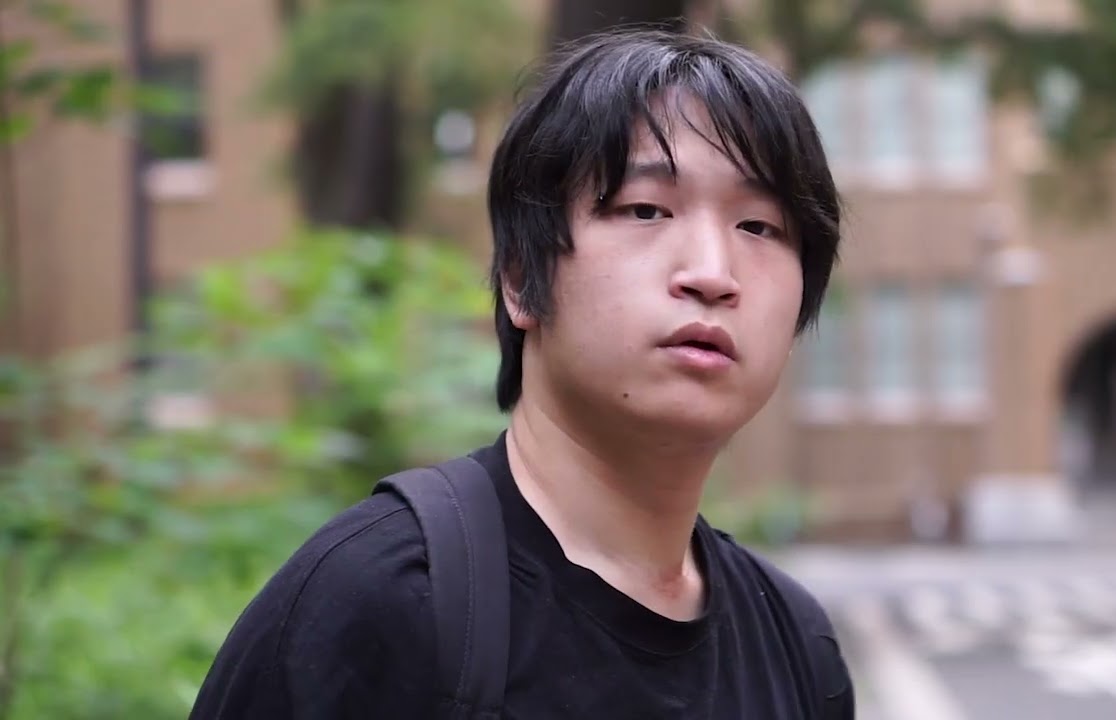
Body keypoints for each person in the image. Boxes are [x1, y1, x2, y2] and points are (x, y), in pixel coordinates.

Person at [190, 29, 852, 719]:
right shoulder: (376, 602)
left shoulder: (797, 648)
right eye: (646, 209)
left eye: (759, 226)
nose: (712, 274)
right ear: (519, 280)